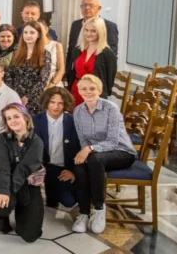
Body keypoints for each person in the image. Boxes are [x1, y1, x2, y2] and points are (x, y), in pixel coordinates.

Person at [71, 75, 136, 234]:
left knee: (95, 159)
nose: (88, 92)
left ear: (99, 90)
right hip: (96, 154)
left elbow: (113, 142)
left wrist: (89, 149)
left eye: (92, 88)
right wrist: (86, 150)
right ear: (79, 91)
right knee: (79, 166)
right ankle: (84, 213)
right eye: (84, 89)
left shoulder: (110, 108)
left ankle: (99, 209)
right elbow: (83, 139)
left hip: (121, 152)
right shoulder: (78, 111)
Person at [0, 103, 44, 242]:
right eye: (8, 118)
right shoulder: (2, 139)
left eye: (16, 116)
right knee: (1, 205)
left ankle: (20, 211)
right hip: (5, 180)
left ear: (25, 117)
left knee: (30, 235)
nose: (12, 120)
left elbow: (23, 169)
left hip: (27, 184)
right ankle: (2, 218)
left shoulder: (36, 142)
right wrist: (3, 191)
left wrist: (9, 192)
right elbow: (4, 167)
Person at [33, 87, 79, 210]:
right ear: (46, 102)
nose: (56, 106)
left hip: (62, 168)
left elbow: (79, 150)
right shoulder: (35, 120)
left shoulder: (73, 122)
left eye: (60, 103)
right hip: (42, 166)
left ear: (65, 104)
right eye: (52, 102)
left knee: (69, 201)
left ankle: (55, 194)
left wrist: (73, 171)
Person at [66, 17, 117, 106]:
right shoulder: (78, 50)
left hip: (94, 94)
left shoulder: (108, 53)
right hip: (76, 91)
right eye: (86, 30)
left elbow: (109, 80)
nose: (88, 34)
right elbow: (72, 72)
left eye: (93, 31)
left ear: (100, 32)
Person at [4, 22, 51, 114]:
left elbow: (42, 80)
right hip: (15, 98)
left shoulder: (45, 54)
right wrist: (15, 95)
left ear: (38, 35)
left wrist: (27, 97)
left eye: (32, 32)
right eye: (25, 32)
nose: (28, 35)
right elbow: (9, 74)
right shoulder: (16, 52)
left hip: (34, 100)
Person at [67, 0, 119, 69]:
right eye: (84, 5)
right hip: (76, 70)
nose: (87, 8)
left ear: (99, 8)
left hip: (96, 70)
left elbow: (112, 53)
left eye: (91, 5)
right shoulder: (75, 24)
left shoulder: (109, 26)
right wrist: (67, 69)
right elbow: (71, 48)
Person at [40, 20, 66, 89]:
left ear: (46, 29)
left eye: (40, 29)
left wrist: (51, 85)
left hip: (54, 82)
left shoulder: (56, 45)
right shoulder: (32, 46)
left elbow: (61, 70)